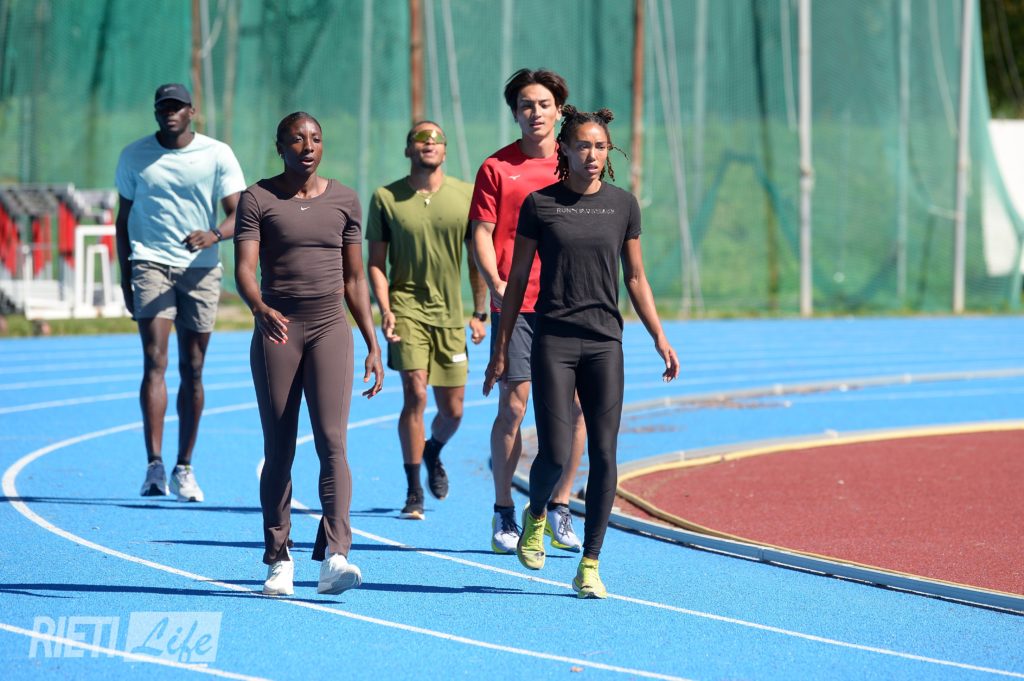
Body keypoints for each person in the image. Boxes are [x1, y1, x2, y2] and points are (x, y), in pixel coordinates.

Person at [483, 106, 680, 598]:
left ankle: (590, 563)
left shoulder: (623, 205)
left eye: (600, 146)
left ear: (608, 152)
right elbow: (518, 280)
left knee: (605, 453)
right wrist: (501, 347)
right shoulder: (540, 204)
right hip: (554, 340)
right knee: (552, 452)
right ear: (565, 150)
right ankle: (535, 516)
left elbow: (635, 277)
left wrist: (659, 336)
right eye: (584, 146)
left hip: (604, 342)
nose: (592, 154)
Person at [234, 112, 384, 597]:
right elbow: (244, 269)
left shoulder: (345, 200)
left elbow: (355, 279)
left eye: (316, 138)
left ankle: (336, 557)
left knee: (333, 443)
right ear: (280, 147)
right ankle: (278, 559)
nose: (308, 146)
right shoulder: (258, 198)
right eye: (297, 139)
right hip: (278, 330)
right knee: (279, 449)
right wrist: (259, 308)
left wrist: (372, 342)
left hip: (330, 328)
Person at [471, 68, 586, 555]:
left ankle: (560, 504)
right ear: (515, 113)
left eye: (543, 104)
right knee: (514, 407)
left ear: (558, 111)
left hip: (570, 303)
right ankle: (504, 510)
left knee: (575, 408)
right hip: (517, 304)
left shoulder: (577, 162)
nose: (534, 112)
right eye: (525, 105)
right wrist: (496, 284)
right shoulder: (497, 168)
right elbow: (480, 233)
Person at [115, 83, 246, 502]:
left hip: (200, 270)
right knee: (155, 360)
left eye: (177, 107)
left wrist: (213, 235)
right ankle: (154, 466)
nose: (169, 113)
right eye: (163, 107)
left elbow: (240, 212)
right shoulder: (134, 156)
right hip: (149, 263)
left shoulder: (217, 154)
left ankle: (184, 466)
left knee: (193, 368)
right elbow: (123, 220)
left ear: (192, 111)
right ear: (155, 112)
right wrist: (124, 276)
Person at [366, 121, 488, 520]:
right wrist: (386, 309)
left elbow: (477, 259)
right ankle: (413, 490)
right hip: (406, 310)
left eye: (436, 138)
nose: (429, 143)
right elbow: (375, 263)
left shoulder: (466, 195)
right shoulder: (386, 198)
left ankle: (433, 449)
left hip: (450, 316)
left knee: (453, 411)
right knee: (415, 394)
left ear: (445, 150)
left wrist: (480, 311)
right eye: (420, 138)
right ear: (408, 150)